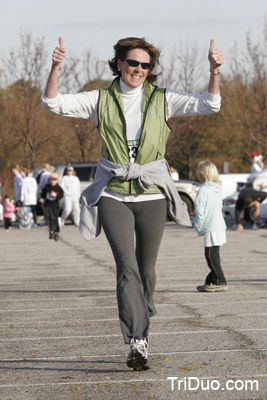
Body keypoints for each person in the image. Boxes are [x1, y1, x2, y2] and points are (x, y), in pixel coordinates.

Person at [41, 36, 224, 371]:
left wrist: (213, 72)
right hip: (113, 192)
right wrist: (55, 67)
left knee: (147, 271)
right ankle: (138, 340)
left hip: (152, 193)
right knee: (126, 267)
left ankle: (143, 317)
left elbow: (210, 104)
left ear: (150, 70)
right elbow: (52, 102)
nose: (139, 69)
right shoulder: (100, 99)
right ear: (119, 63)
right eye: (133, 63)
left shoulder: (163, 100)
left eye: (145, 65)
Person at [194, 161, 228, 292]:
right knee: (214, 255)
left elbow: (200, 211)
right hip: (219, 225)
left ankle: (220, 280)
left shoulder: (203, 190)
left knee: (210, 256)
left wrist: (197, 225)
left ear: (202, 174)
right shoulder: (217, 188)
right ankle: (211, 280)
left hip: (211, 226)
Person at [40, 173, 64, 241]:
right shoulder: (47, 187)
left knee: (55, 218)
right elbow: (43, 193)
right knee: (50, 216)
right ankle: (51, 231)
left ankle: (56, 231)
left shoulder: (58, 187)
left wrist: (56, 196)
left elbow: (62, 195)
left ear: (57, 181)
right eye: (51, 180)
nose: (53, 181)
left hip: (55, 205)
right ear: (49, 180)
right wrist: (42, 198)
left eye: (54, 180)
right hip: (48, 204)